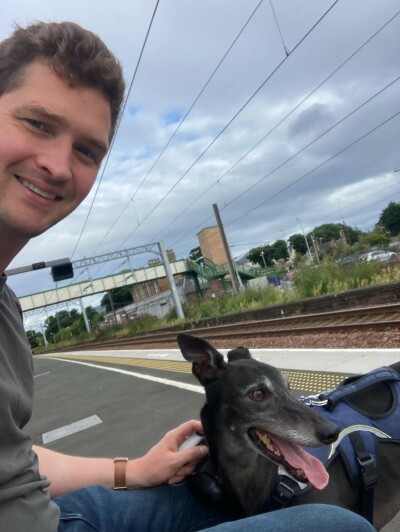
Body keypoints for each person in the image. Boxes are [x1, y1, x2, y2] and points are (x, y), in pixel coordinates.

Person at [0, 20, 375, 532]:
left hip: (39, 508)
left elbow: (11, 461)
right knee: (339, 527)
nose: (59, 166)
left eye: (87, 151)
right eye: (38, 123)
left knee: (215, 499)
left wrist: (130, 471)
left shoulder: (7, 304)